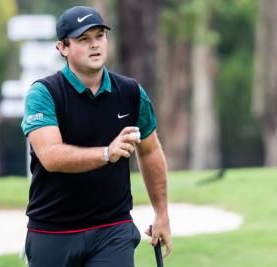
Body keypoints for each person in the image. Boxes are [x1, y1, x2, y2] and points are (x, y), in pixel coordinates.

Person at [21, 5, 172, 267]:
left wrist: (162, 214)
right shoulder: (44, 94)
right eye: (83, 39)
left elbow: (149, 151)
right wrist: (106, 153)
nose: (95, 45)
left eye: (99, 36)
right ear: (63, 48)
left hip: (113, 228)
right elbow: (50, 156)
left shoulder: (131, 92)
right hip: (52, 230)